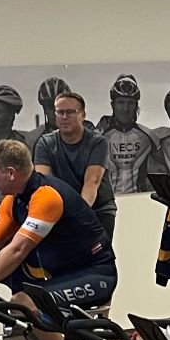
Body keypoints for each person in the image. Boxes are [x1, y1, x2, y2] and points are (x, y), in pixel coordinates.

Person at [0, 138, 118, 340]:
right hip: (63, 276)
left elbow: (18, 250)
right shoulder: (13, 201)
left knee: (23, 304)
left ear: (11, 173)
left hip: (97, 275)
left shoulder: (46, 196)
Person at [34, 87, 117, 239]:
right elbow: (42, 183)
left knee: (97, 252)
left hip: (98, 208)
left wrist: (77, 217)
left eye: (70, 112)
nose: (64, 117)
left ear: (82, 115)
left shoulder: (98, 142)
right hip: (63, 210)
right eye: (60, 112)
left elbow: (92, 181)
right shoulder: (45, 143)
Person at [100, 73, 159, 196]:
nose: (125, 108)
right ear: (112, 105)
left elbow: (160, 171)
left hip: (138, 199)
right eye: (121, 102)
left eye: (130, 103)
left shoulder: (149, 136)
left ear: (136, 105)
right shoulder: (100, 136)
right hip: (109, 201)